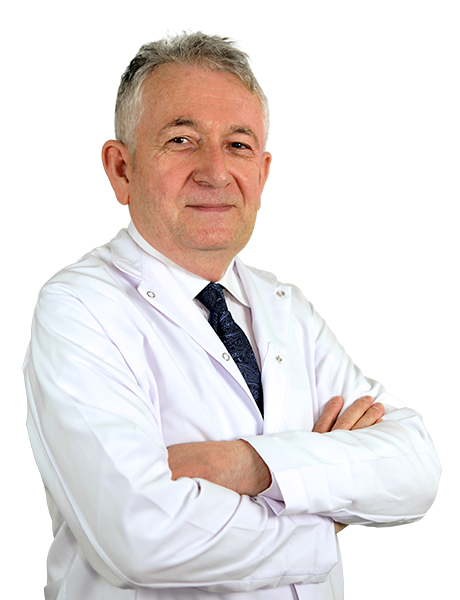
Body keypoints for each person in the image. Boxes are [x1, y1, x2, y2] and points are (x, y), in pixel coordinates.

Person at [24, 29, 441, 600]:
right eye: (181, 140)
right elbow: (141, 536)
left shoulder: (287, 311)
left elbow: (416, 469)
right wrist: (324, 520)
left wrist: (249, 465)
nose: (216, 172)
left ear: (262, 174)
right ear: (122, 169)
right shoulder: (78, 311)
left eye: (238, 145)